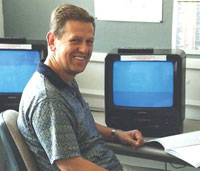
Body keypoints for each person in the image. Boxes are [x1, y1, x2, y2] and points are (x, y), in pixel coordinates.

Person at [17, 4, 144, 171]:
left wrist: (116, 134)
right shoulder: (49, 99)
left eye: (89, 42)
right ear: (52, 41)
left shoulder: (64, 79)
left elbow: (79, 124)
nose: (84, 49)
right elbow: (71, 167)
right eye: (75, 40)